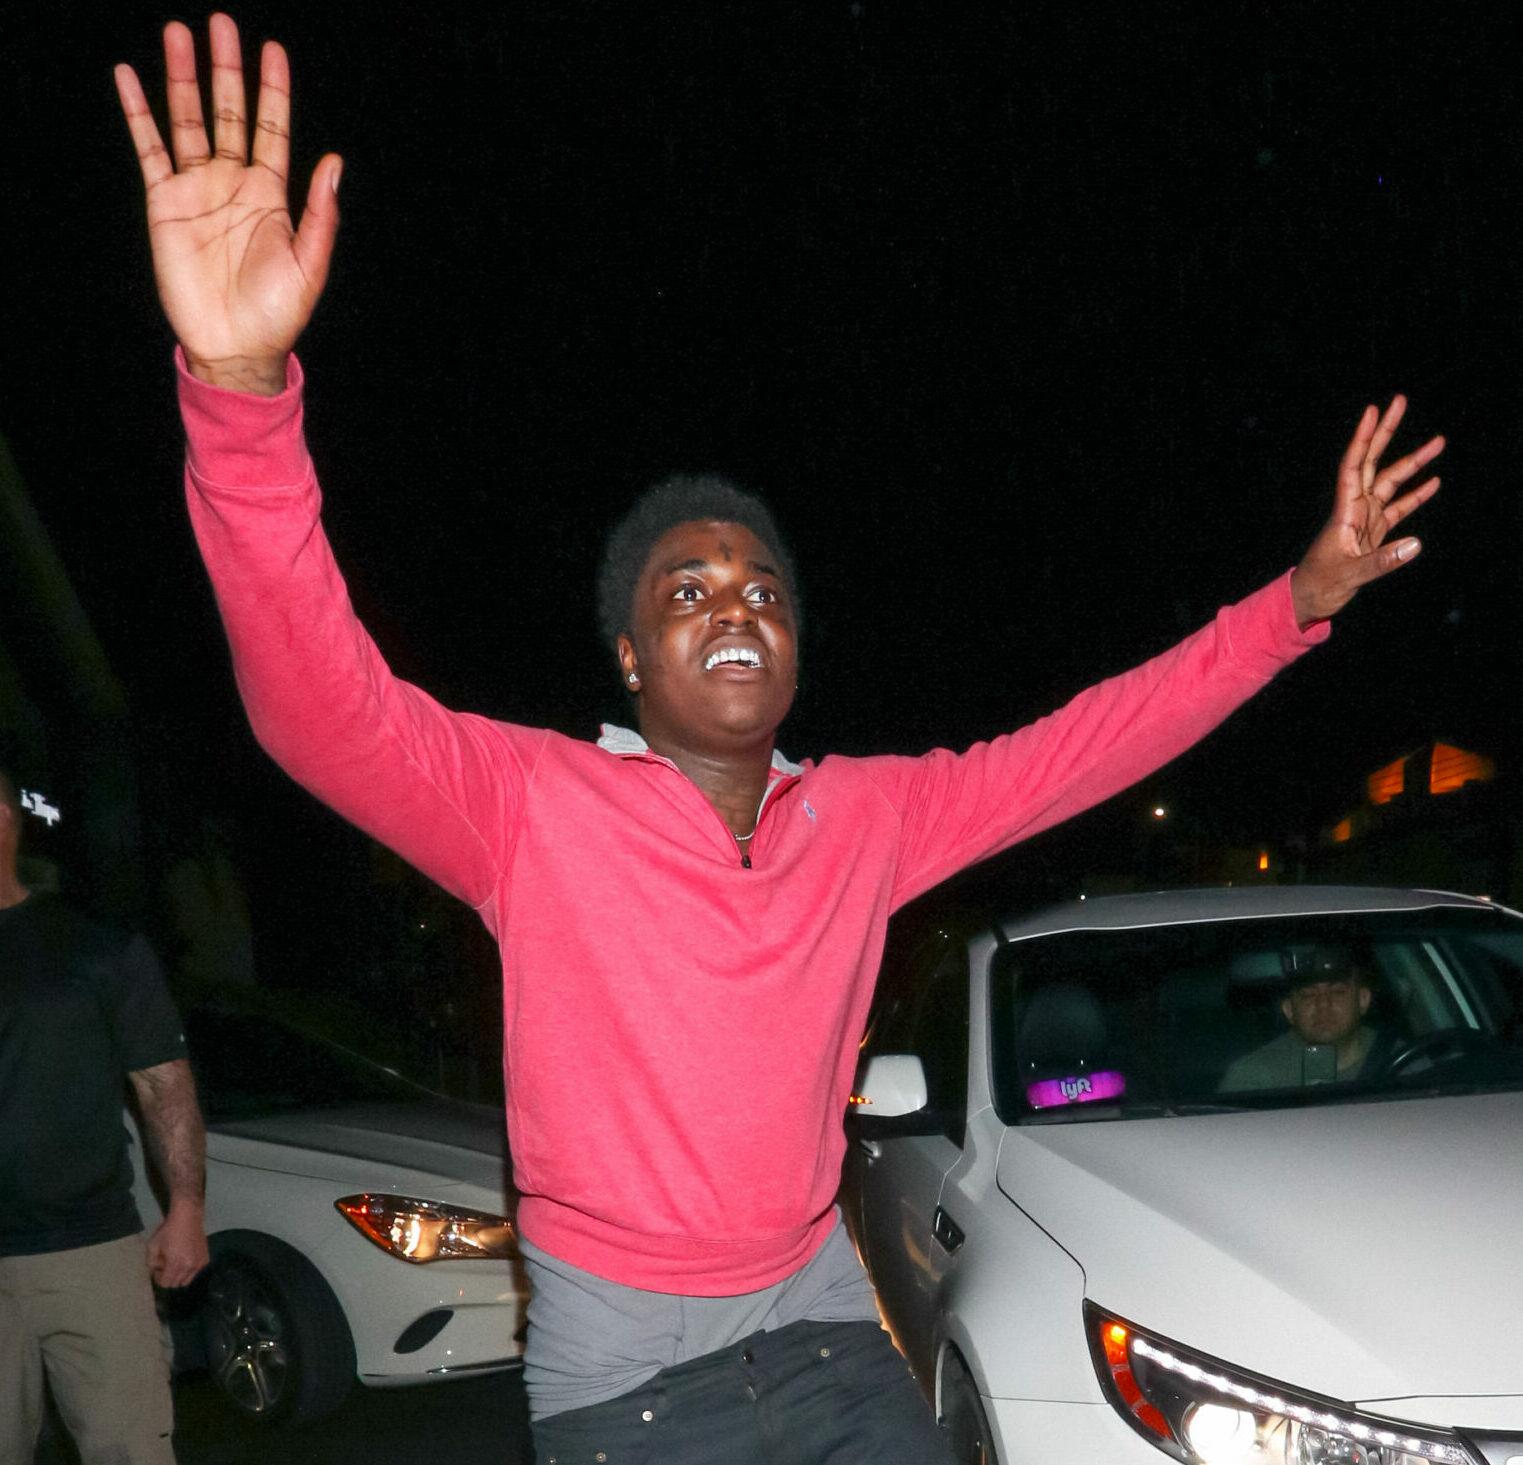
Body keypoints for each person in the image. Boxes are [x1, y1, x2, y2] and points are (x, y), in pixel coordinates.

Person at [113, 17, 1445, 1462]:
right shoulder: (530, 803)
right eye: (684, 590)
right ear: (630, 655)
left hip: (816, 1311)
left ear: (795, 645)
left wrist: (1295, 601)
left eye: (760, 588)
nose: (731, 605)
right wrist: (241, 399)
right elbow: (318, 708)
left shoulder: (869, 817)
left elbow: (1091, 741)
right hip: (619, 1360)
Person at [0, 764, 209, 1465]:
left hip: (90, 1251)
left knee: (130, 1449)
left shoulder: (95, 946)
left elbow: (162, 1084)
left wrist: (185, 1207)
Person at [1220, 947, 1384, 1091]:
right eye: (1308, 995)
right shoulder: (1253, 1076)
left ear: (1363, 1000)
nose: (1323, 1004)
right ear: (1289, 1010)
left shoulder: (1399, 1060)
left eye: (1337, 992)